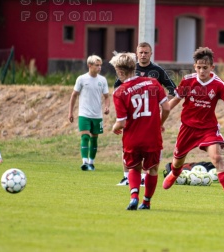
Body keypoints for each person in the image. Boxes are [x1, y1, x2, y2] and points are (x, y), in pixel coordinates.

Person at [162, 47, 224, 208]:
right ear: (195, 66)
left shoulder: (218, 84)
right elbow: (174, 102)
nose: (201, 71)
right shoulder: (188, 81)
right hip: (187, 127)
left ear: (212, 67)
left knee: (217, 158)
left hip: (208, 128)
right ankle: (175, 173)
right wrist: (160, 119)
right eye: (198, 67)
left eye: (205, 68)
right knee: (177, 162)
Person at [110, 52, 171, 210]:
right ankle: (146, 202)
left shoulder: (119, 92)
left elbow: (121, 122)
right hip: (152, 136)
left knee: (134, 168)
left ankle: (134, 197)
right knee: (152, 169)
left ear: (121, 71)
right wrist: (159, 123)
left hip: (132, 138)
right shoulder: (153, 83)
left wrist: (114, 127)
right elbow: (166, 108)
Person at [115, 42, 177, 187]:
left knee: (148, 147)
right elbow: (118, 88)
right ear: (137, 53)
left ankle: (143, 178)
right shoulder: (130, 68)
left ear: (151, 54)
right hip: (132, 115)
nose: (143, 55)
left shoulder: (157, 71)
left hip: (149, 116)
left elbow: (173, 89)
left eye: (146, 52)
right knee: (127, 146)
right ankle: (126, 177)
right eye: (141, 52)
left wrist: (161, 106)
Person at [68, 55, 110, 171]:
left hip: (97, 115)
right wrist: (70, 112)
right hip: (84, 114)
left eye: (100, 65)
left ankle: (91, 162)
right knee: (85, 136)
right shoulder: (81, 79)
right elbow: (74, 95)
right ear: (89, 65)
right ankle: (85, 162)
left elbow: (107, 96)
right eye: (97, 65)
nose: (99, 67)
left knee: (94, 139)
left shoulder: (102, 80)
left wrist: (107, 107)